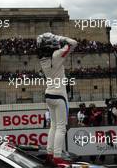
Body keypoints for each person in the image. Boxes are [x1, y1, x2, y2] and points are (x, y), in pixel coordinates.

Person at [37, 32, 77, 167]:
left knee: (53, 126)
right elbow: (73, 43)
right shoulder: (56, 55)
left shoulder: (42, 59)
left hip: (48, 94)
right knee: (61, 127)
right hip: (59, 94)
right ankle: (58, 157)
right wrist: (58, 37)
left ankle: (50, 153)